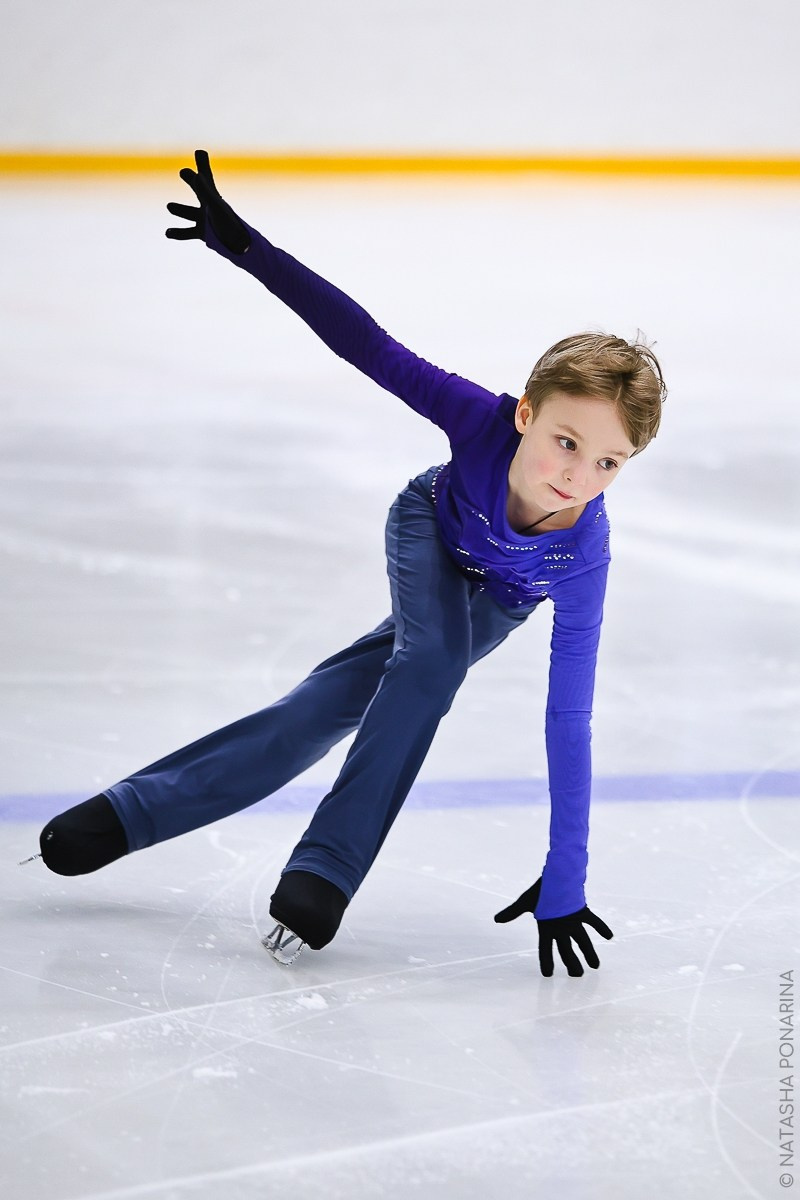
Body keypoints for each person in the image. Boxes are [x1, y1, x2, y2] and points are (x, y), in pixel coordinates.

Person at [37, 151, 666, 977]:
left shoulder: (583, 558)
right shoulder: (479, 424)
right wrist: (248, 248)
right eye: (566, 441)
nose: (577, 475)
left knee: (331, 701)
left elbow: (567, 722)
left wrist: (567, 877)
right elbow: (367, 342)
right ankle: (326, 871)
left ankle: (130, 812)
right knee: (430, 662)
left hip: (506, 595)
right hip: (428, 527)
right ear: (525, 414)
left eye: (608, 463)